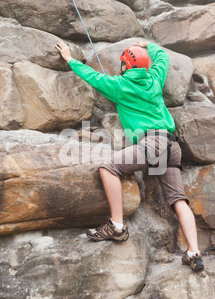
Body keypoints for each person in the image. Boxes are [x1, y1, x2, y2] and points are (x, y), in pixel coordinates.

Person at [56, 40, 204, 272]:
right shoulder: (154, 78)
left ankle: (116, 225)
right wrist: (149, 45)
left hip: (151, 144)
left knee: (108, 168)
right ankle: (194, 253)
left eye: (122, 64)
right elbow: (163, 59)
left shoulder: (120, 86)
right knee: (177, 199)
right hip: (171, 145)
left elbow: (92, 76)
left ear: (125, 65)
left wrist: (70, 59)